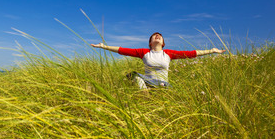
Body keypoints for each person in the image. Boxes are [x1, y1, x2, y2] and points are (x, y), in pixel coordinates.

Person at [91, 32, 225, 90]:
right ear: (150, 43)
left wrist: (212, 50)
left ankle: (155, 92)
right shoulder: (144, 52)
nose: (157, 36)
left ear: (163, 42)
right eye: (155, 36)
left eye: (160, 36)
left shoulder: (168, 53)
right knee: (133, 75)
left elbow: (191, 54)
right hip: (147, 83)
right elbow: (122, 50)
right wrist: (104, 46)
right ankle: (145, 94)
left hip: (163, 84)